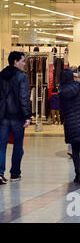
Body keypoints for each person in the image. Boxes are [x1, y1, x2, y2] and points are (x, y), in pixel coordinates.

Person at [0, 52, 32, 184]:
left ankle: (0, 173)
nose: (24, 64)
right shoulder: (22, 77)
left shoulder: (1, 75)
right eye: (23, 61)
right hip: (17, 116)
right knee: (18, 146)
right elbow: (24, 97)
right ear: (15, 61)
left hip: (2, 116)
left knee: (1, 146)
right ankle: (15, 173)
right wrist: (27, 116)